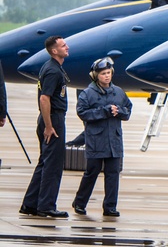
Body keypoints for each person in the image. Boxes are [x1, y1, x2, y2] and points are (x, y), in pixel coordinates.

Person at [71, 58, 132, 217]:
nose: (106, 76)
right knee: (92, 172)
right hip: (96, 141)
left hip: (114, 141)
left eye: (108, 73)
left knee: (113, 174)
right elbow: (82, 112)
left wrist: (119, 111)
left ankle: (110, 207)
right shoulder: (88, 93)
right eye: (103, 73)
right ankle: (80, 202)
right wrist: (103, 111)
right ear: (95, 75)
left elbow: (128, 110)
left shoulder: (118, 92)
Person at [20, 36, 71, 217]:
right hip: (53, 119)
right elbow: (44, 98)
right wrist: (49, 126)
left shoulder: (51, 67)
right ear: (54, 51)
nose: (67, 47)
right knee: (53, 165)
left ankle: (30, 204)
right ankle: (46, 206)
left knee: (44, 162)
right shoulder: (53, 71)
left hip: (49, 118)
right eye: (63, 45)